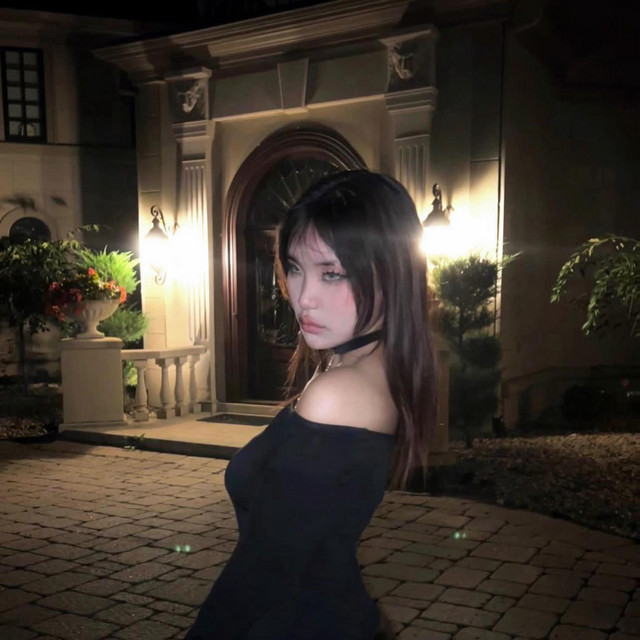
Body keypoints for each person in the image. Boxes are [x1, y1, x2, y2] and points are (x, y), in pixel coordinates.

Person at [185, 170, 438, 640]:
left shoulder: (339, 393)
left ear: (392, 272)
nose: (303, 297)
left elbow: (260, 574)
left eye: (332, 273)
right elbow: (317, 541)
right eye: (295, 268)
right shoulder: (372, 365)